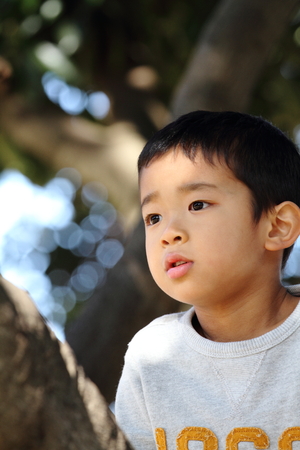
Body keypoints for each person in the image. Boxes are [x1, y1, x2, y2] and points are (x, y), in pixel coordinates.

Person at [115, 111, 300, 450]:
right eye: (153, 217)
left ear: (277, 227)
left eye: (197, 204)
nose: (169, 233)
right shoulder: (151, 357)